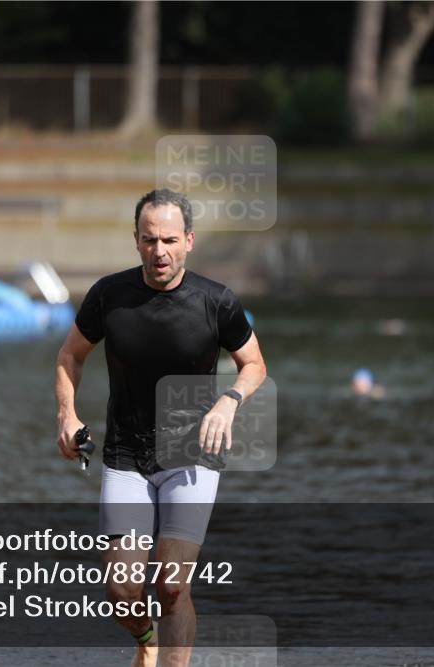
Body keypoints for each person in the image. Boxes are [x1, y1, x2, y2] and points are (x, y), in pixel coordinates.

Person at [54, 188, 268, 667]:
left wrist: (229, 402)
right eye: (149, 240)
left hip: (192, 454)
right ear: (136, 241)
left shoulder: (217, 302)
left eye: (170, 239)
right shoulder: (109, 296)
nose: (159, 251)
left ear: (189, 240)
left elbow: (253, 364)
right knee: (119, 589)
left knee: (171, 585)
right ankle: (146, 639)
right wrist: (67, 415)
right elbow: (70, 355)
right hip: (126, 455)